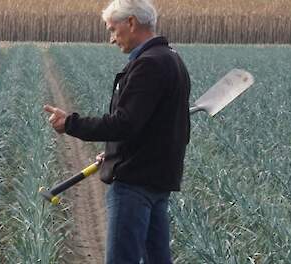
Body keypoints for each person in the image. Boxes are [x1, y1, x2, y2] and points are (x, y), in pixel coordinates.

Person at [43, 0, 191, 263]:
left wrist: (70, 123)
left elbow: (124, 124)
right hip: (158, 181)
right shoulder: (172, 58)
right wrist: (114, 153)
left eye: (113, 29)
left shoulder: (149, 65)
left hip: (134, 184)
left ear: (131, 23)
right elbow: (155, 127)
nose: (112, 39)